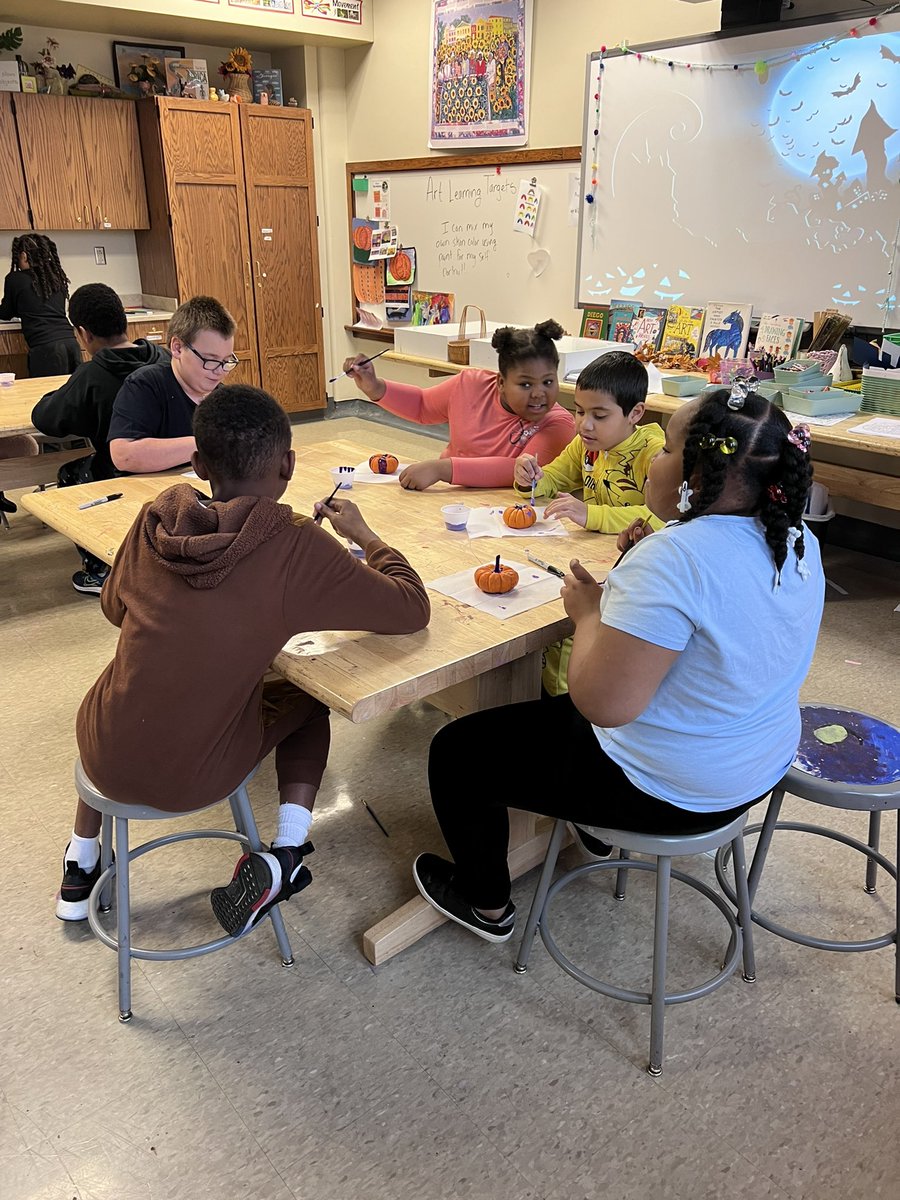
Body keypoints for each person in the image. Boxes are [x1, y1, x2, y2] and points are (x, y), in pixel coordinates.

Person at [411, 382, 825, 943]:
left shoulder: (676, 557)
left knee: (457, 751)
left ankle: (485, 902)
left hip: (674, 791)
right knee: (546, 724)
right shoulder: (795, 537)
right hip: (758, 765)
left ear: (696, 475)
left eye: (665, 449)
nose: (653, 459)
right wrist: (630, 596)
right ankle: (588, 823)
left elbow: (600, 705)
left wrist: (588, 617)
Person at [56, 384, 431, 935]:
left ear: (199, 462)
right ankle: (286, 850)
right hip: (190, 781)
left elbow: (116, 609)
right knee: (307, 698)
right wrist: (365, 536)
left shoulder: (153, 520)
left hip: (100, 751)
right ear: (289, 463)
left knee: (123, 681)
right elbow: (410, 607)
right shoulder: (297, 544)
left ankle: (81, 860)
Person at [513, 351, 666, 695]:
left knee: (572, 627)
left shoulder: (654, 453)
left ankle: (572, 698)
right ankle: (545, 686)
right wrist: (531, 477)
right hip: (591, 555)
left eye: (599, 415)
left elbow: (660, 516)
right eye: (579, 411)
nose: (584, 424)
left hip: (633, 568)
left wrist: (590, 515)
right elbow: (555, 476)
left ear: (635, 413)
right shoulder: (586, 445)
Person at [30, 283, 171, 594]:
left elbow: (48, 419)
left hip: (122, 471)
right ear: (124, 320)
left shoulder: (92, 374)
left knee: (71, 473)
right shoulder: (163, 357)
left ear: (83, 333)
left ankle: (99, 571)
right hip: (176, 462)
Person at [342, 319, 575, 490]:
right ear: (501, 382)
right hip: (448, 498)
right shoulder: (471, 384)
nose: (538, 394)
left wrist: (442, 469)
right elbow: (423, 405)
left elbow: (515, 469)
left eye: (548, 382)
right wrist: (374, 387)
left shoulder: (560, 424)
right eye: (525, 385)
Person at [107, 295, 237, 475]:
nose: (220, 371)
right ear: (177, 348)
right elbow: (123, 455)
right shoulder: (145, 385)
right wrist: (206, 444)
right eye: (210, 359)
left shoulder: (223, 399)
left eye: (226, 361)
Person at [0, 235, 81, 378]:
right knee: (75, 395)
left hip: (46, 348)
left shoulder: (15, 279)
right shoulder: (56, 277)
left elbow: (6, 312)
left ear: (24, 256)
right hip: (71, 343)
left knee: (46, 395)